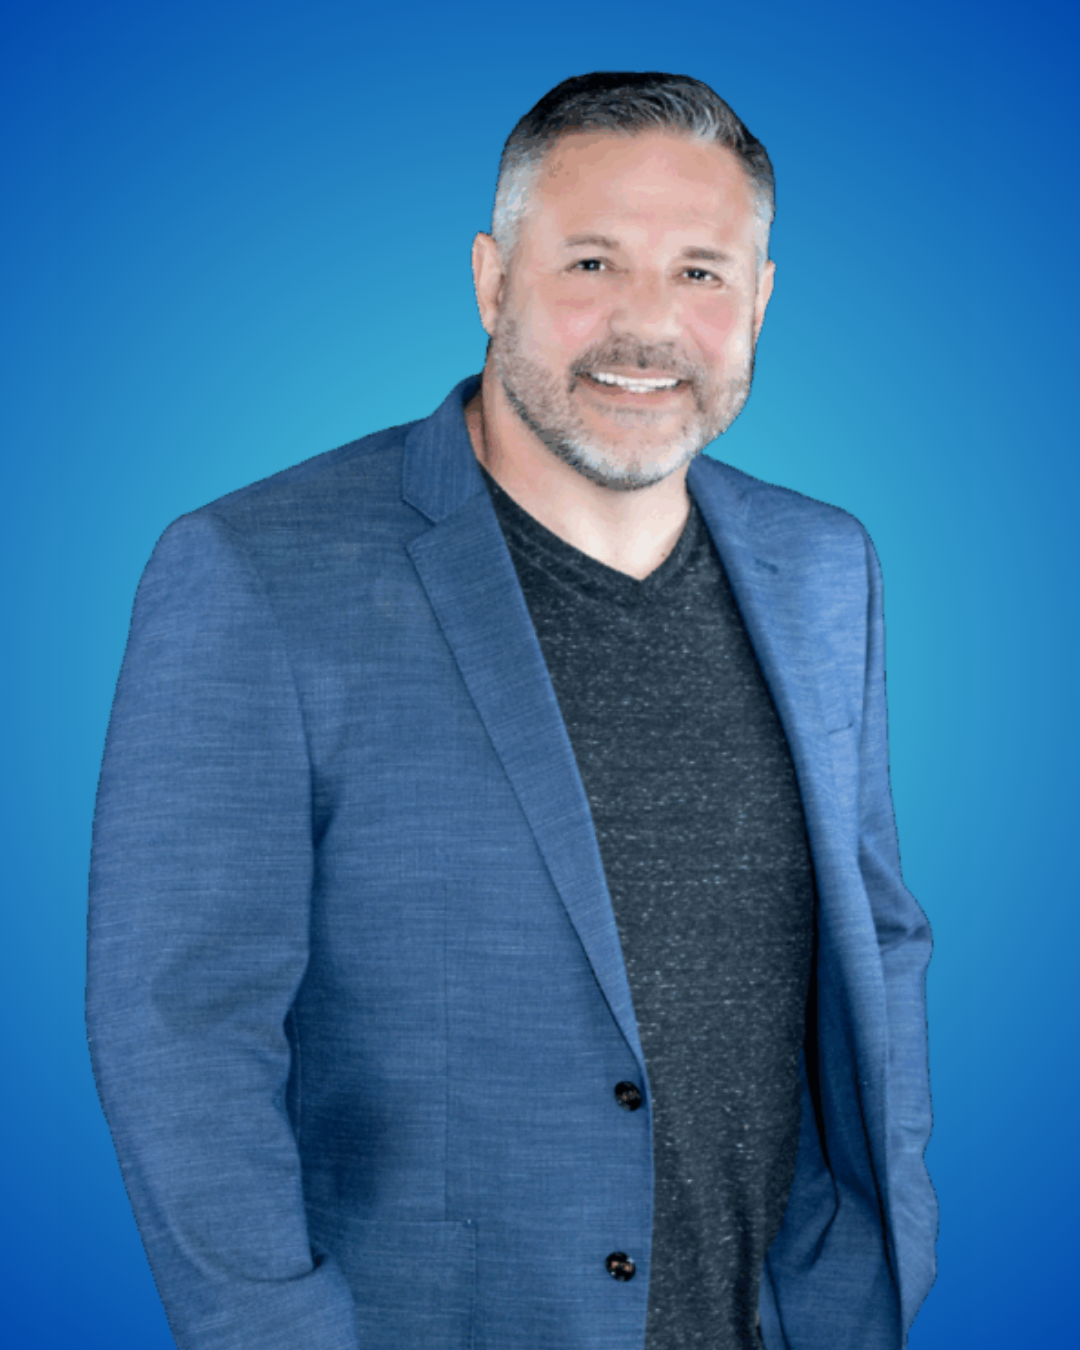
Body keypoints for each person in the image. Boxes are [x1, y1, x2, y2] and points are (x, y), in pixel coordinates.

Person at [86, 71, 937, 1350]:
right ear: (491, 280)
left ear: (760, 302)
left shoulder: (826, 567)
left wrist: (875, 1257)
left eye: (703, 273)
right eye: (592, 261)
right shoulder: (258, 571)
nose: (647, 327)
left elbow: (876, 933)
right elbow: (180, 1023)